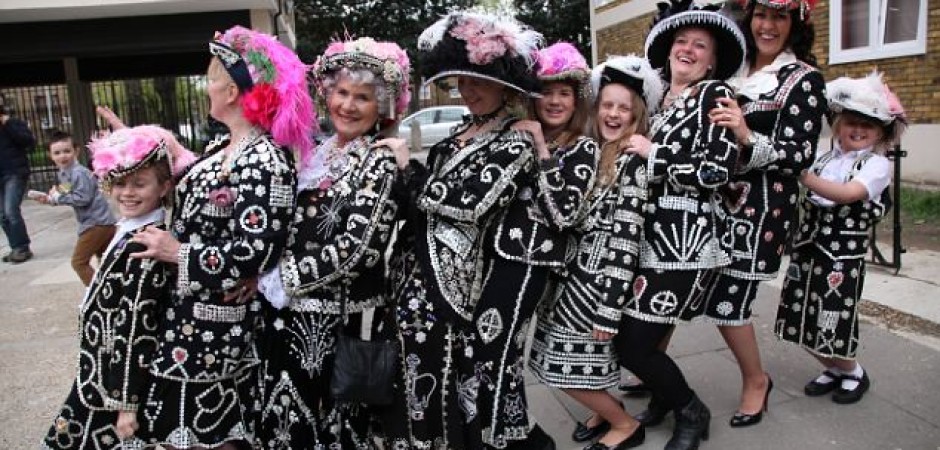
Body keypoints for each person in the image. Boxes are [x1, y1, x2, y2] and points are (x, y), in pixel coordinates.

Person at [131, 26, 312, 449]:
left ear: (231, 91)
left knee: (211, 431)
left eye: (210, 79)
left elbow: (255, 250)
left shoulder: (264, 158)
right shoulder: (222, 148)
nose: (205, 88)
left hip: (218, 326)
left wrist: (178, 252)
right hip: (186, 316)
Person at [379, 11, 547, 450]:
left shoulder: (516, 141)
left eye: (479, 82)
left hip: (456, 283)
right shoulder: (458, 131)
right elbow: (418, 204)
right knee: (415, 369)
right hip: (411, 275)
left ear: (505, 86)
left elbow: (467, 205)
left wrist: (407, 170)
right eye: (462, 83)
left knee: (447, 371)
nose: (468, 91)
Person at [252, 36, 410, 448]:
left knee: (333, 432)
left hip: (340, 327)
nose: (348, 105)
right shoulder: (314, 153)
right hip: (287, 320)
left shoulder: (380, 159)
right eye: (342, 92)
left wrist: (278, 278)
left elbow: (358, 248)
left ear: (384, 108)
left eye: (363, 97)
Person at [613, 1, 745, 449]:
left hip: (683, 243)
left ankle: (690, 409)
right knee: (633, 338)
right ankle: (667, 401)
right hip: (643, 240)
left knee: (633, 345)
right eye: (681, 41)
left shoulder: (715, 96)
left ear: (712, 59)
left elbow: (718, 171)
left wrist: (656, 154)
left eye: (700, 45)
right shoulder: (660, 99)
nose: (687, 49)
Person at [695, 0, 827, 428]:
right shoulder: (729, 68)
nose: (767, 25)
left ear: (796, 23)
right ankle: (658, 377)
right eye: (761, 14)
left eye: (780, 16)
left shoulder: (803, 80)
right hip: (710, 201)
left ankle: (756, 380)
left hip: (761, 211)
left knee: (728, 303)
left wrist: (745, 133)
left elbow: (798, 158)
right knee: (688, 288)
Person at [529, 54, 661, 450]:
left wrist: (609, 305)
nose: (614, 114)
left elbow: (626, 239)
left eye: (624, 108)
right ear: (596, 108)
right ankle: (605, 409)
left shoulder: (632, 162)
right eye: (608, 105)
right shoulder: (597, 150)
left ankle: (625, 425)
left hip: (597, 283)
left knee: (560, 369)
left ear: (636, 116)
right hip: (571, 277)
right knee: (580, 361)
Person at [40, 125, 196, 450]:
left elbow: (136, 325)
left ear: (165, 186)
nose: (127, 192)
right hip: (99, 375)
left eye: (140, 184)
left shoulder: (146, 244)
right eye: (121, 183)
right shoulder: (127, 230)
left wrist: (125, 402)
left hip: (111, 387)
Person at [776, 72, 905, 405]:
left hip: (840, 258)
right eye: (852, 122)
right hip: (808, 251)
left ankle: (853, 372)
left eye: (869, 125)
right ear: (838, 124)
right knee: (799, 318)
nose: (859, 130)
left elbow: (848, 194)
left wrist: (802, 174)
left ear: (880, 133)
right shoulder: (826, 158)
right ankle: (834, 370)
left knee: (831, 318)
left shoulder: (875, 165)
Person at [35, 130, 117, 286]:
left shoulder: (78, 173)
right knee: (107, 262)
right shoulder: (65, 173)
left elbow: (82, 198)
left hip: (96, 223)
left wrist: (59, 197)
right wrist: (50, 199)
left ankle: (97, 294)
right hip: (100, 222)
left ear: (76, 151)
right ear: (50, 155)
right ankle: (112, 292)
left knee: (79, 262)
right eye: (57, 153)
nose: (62, 156)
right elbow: (65, 191)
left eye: (67, 151)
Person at [0, 95, 36, 263]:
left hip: (14, 173)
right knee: (2, 215)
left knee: (10, 210)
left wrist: (8, 125)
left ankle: (22, 248)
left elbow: (28, 141)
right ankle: (16, 247)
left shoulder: (13, 123)